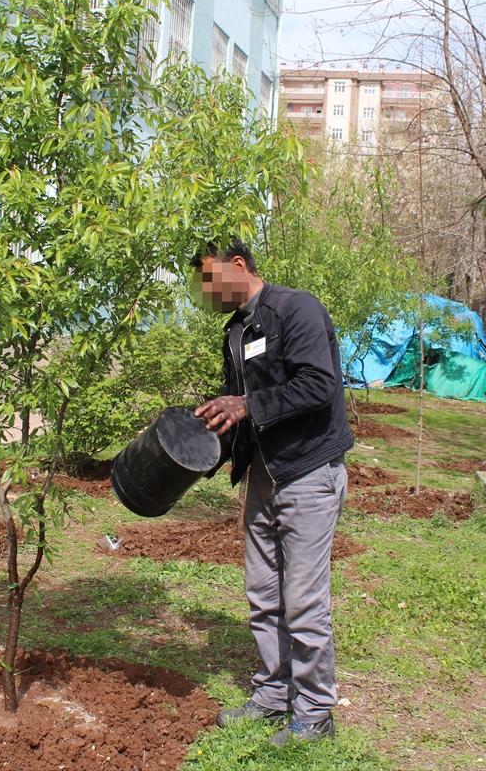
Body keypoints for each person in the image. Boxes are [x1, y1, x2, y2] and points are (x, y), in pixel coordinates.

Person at [192, 238, 352, 746]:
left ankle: (316, 711)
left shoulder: (295, 310)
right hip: (264, 475)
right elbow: (238, 410)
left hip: (307, 472)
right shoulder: (237, 331)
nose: (205, 292)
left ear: (237, 266)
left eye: (209, 279)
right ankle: (273, 694)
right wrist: (204, 448)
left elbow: (317, 385)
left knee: (302, 598)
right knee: (263, 594)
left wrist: (245, 404)